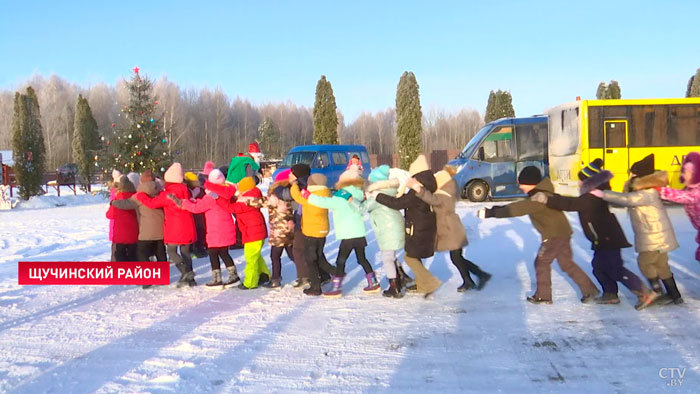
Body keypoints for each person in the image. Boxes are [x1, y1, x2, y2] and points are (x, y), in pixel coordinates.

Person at [533, 159, 659, 310]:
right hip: (601, 239)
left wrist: (548, 199)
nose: (578, 183)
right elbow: (572, 201)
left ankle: (644, 292)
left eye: (580, 180)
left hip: (609, 238)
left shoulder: (592, 197)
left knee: (615, 268)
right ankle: (610, 294)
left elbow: (571, 204)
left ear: (588, 182)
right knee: (598, 267)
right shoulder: (591, 195)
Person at [478, 166, 598, 304]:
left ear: (530, 183)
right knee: (566, 264)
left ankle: (544, 296)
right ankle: (590, 291)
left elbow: (517, 209)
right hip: (562, 232)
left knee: (541, 262)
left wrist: (491, 213)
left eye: (522, 183)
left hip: (554, 235)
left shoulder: (538, 199)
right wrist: (495, 210)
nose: (520, 186)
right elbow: (519, 206)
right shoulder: (543, 193)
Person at [594, 154, 683, 304]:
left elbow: (628, 200)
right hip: (657, 235)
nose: (631, 176)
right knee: (661, 265)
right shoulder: (647, 190)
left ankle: (656, 292)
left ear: (641, 176)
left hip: (653, 236)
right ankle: (675, 295)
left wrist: (602, 194)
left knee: (645, 262)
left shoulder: (646, 192)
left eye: (633, 173)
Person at [301, 165, 380, 297]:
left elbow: (324, 202)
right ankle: (373, 282)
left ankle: (336, 287)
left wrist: (309, 197)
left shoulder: (340, 197)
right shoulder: (359, 195)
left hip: (348, 235)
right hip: (359, 234)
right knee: (362, 259)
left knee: (340, 261)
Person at [410, 165, 491, 292]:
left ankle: (475, 278)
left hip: (451, 230)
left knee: (456, 258)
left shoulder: (444, 195)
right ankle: (475, 278)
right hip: (452, 228)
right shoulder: (449, 190)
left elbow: (433, 200)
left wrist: (418, 189)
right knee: (458, 258)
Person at [374, 155, 441, 297]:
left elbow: (398, 204)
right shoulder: (426, 187)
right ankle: (423, 283)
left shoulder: (417, 191)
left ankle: (429, 282)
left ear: (418, 176)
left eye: (412, 176)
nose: (410, 179)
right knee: (414, 256)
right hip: (425, 227)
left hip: (418, 228)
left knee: (410, 257)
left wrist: (378, 196)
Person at [171, 169, 241, 287]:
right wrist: (196, 201)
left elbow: (197, 208)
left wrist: (185, 203)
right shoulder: (224, 193)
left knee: (213, 253)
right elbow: (204, 204)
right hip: (226, 228)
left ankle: (217, 279)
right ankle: (233, 276)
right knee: (224, 253)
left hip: (216, 230)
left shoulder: (212, 197)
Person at [135, 163, 197, 287]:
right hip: (188, 225)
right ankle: (190, 280)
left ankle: (185, 272)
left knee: (172, 251)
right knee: (185, 252)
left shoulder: (168, 194)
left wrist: (140, 195)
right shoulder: (186, 190)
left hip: (175, 227)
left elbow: (152, 203)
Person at [355, 165, 409, 298]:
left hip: (388, 229)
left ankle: (394, 287)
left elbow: (362, 208)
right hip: (393, 227)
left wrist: (350, 199)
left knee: (387, 258)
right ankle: (401, 278)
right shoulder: (390, 191)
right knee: (392, 255)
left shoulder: (378, 195)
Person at [110, 170, 167, 289]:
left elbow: (125, 204)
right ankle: (162, 277)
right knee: (160, 253)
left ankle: (147, 278)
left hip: (146, 230)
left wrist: (114, 202)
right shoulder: (160, 192)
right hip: (161, 229)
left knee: (141, 253)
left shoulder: (139, 195)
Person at [244, 169, 296, 289]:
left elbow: (263, 202)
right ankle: (307, 275)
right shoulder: (287, 193)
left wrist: (246, 200)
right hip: (288, 229)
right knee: (292, 254)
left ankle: (276, 279)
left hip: (279, 231)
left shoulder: (277, 194)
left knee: (275, 256)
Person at [217, 176, 270, 289]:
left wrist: (219, 198)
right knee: (256, 256)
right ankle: (264, 275)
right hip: (254, 232)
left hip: (253, 232)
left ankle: (250, 282)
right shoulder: (251, 196)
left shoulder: (246, 201)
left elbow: (230, 208)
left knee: (250, 258)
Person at [290, 172, 336, 296]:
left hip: (311, 232)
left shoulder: (311, 197)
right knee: (319, 256)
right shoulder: (325, 194)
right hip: (322, 232)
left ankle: (316, 287)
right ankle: (335, 272)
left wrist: (294, 184)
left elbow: (297, 197)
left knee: (310, 260)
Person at [658, 151, 700, 264]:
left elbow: (684, 197)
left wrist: (660, 190)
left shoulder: (697, 191)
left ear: (694, 174)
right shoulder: (691, 188)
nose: (682, 175)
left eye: (686, 172)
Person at [106, 175, 139, 262]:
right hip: (134, 233)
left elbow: (109, 215)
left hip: (120, 235)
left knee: (120, 255)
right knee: (133, 256)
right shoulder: (136, 199)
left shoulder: (116, 201)